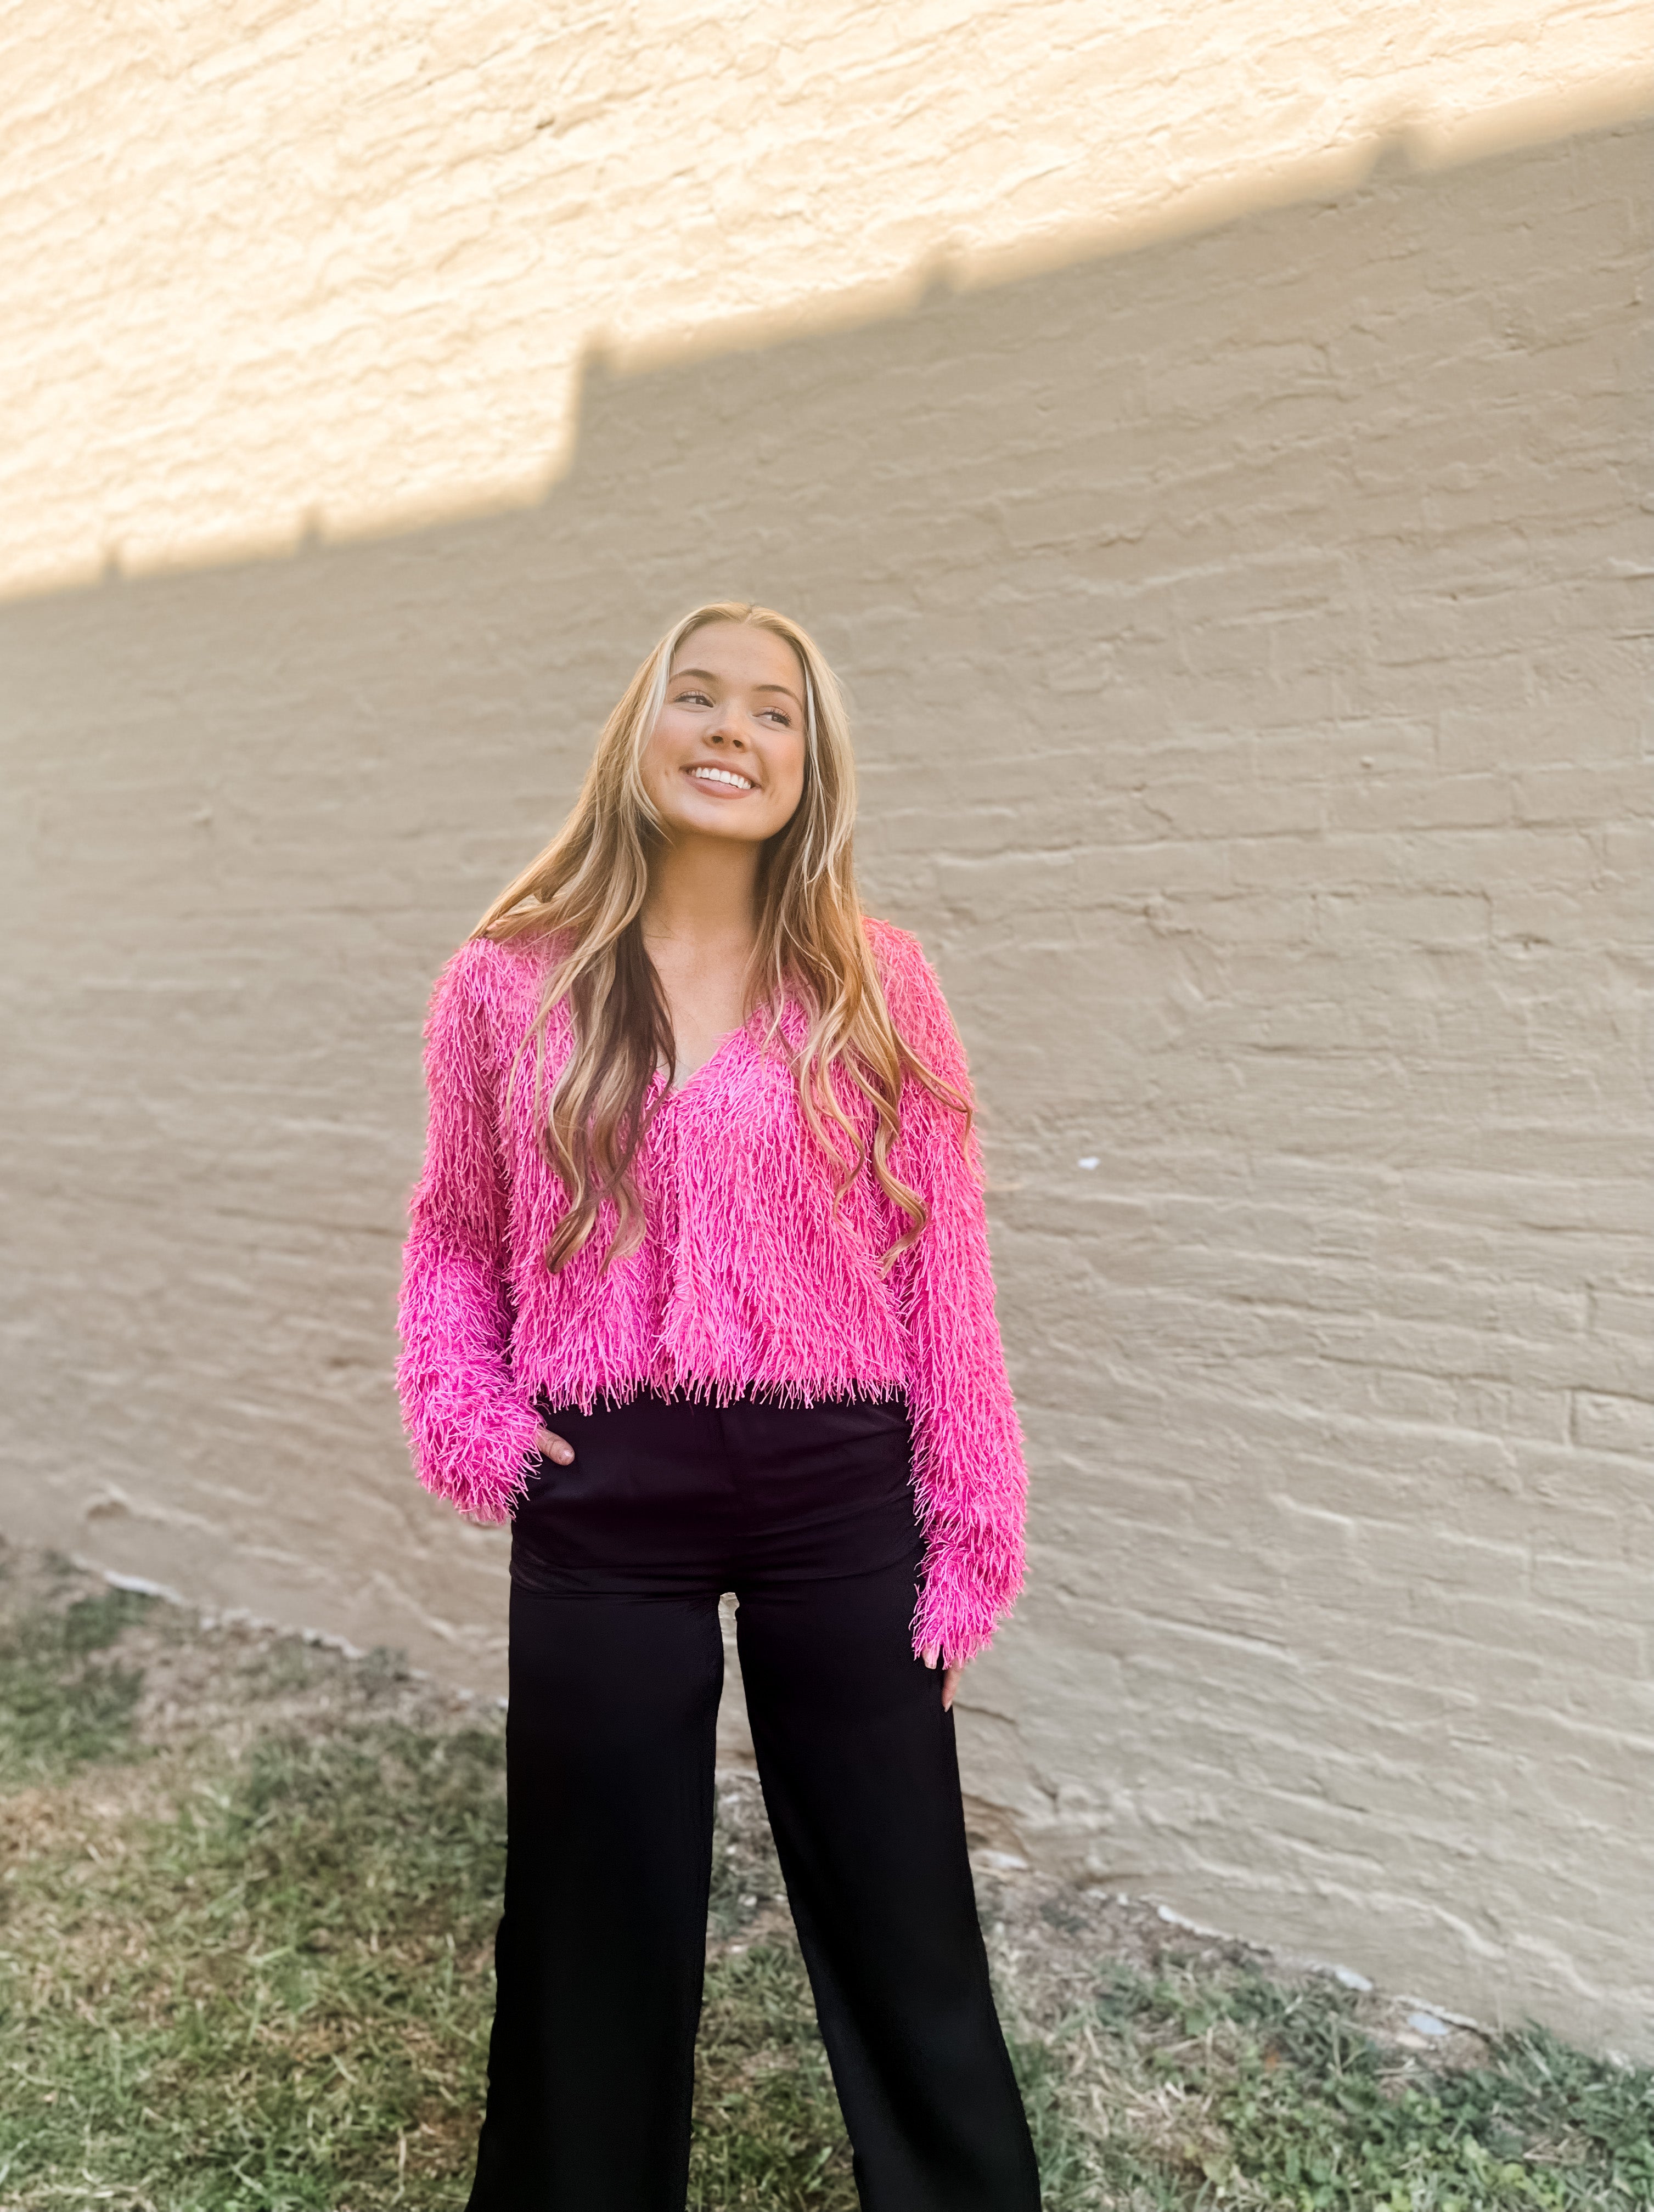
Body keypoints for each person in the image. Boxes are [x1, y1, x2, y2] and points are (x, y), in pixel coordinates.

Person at [397, 601, 1039, 2210]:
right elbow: (456, 1233)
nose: (732, 732)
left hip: (842, 1486)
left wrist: (972, 1530)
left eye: (774, 713)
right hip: (607, 1485)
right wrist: (467, 1413)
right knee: (589, 1907)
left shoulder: (879, 984)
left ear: (809, 769)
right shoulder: (507, 985)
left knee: (903, 1907)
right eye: (700, 698)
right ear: (643, 732)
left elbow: (943, 1262)